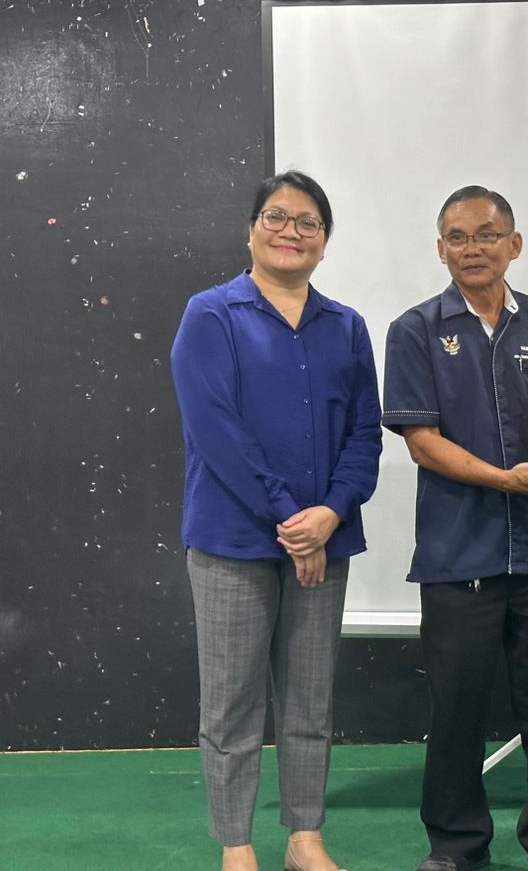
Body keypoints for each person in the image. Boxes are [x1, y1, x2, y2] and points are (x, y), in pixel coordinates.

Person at [170, 171, 383, 871]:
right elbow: (217, 432)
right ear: (251, 230)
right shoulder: (211, 315)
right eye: (276, 217)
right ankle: (237, 846)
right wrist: (294, 521)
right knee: (231, 705)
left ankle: (304, 838)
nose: (291, 231)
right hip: (234, 542)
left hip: (324, 540)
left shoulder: (346, 326)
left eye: (308, 222)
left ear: (324, 241)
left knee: (309, 701)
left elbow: (365, 433)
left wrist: (331, 513)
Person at [381, 186, 528, 871]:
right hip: (458, 554)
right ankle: (455, 845)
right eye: (458, 237)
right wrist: (505, 480)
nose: (472, 248)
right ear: (440, 249)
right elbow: (422, 442)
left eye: (487, 234)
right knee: (456, 711)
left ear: (514, 244)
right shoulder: (415, 330)